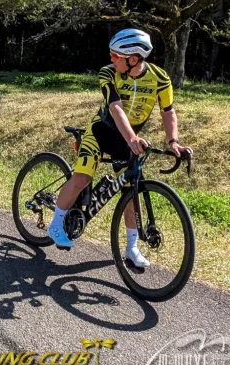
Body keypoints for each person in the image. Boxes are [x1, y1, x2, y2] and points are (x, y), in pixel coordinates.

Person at [47, 28, 190, 268]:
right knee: (82, 177)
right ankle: (55, 224)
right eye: (111, 55)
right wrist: (133, 138)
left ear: (133, 59)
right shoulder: (108, 73)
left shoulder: (160, 78)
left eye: (116, 56)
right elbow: (115, 108)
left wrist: (173, 141)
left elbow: (168, 111)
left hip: (127, 139)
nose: (111, 59)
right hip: (101, 132)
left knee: (130, 192)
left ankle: (132, 248)